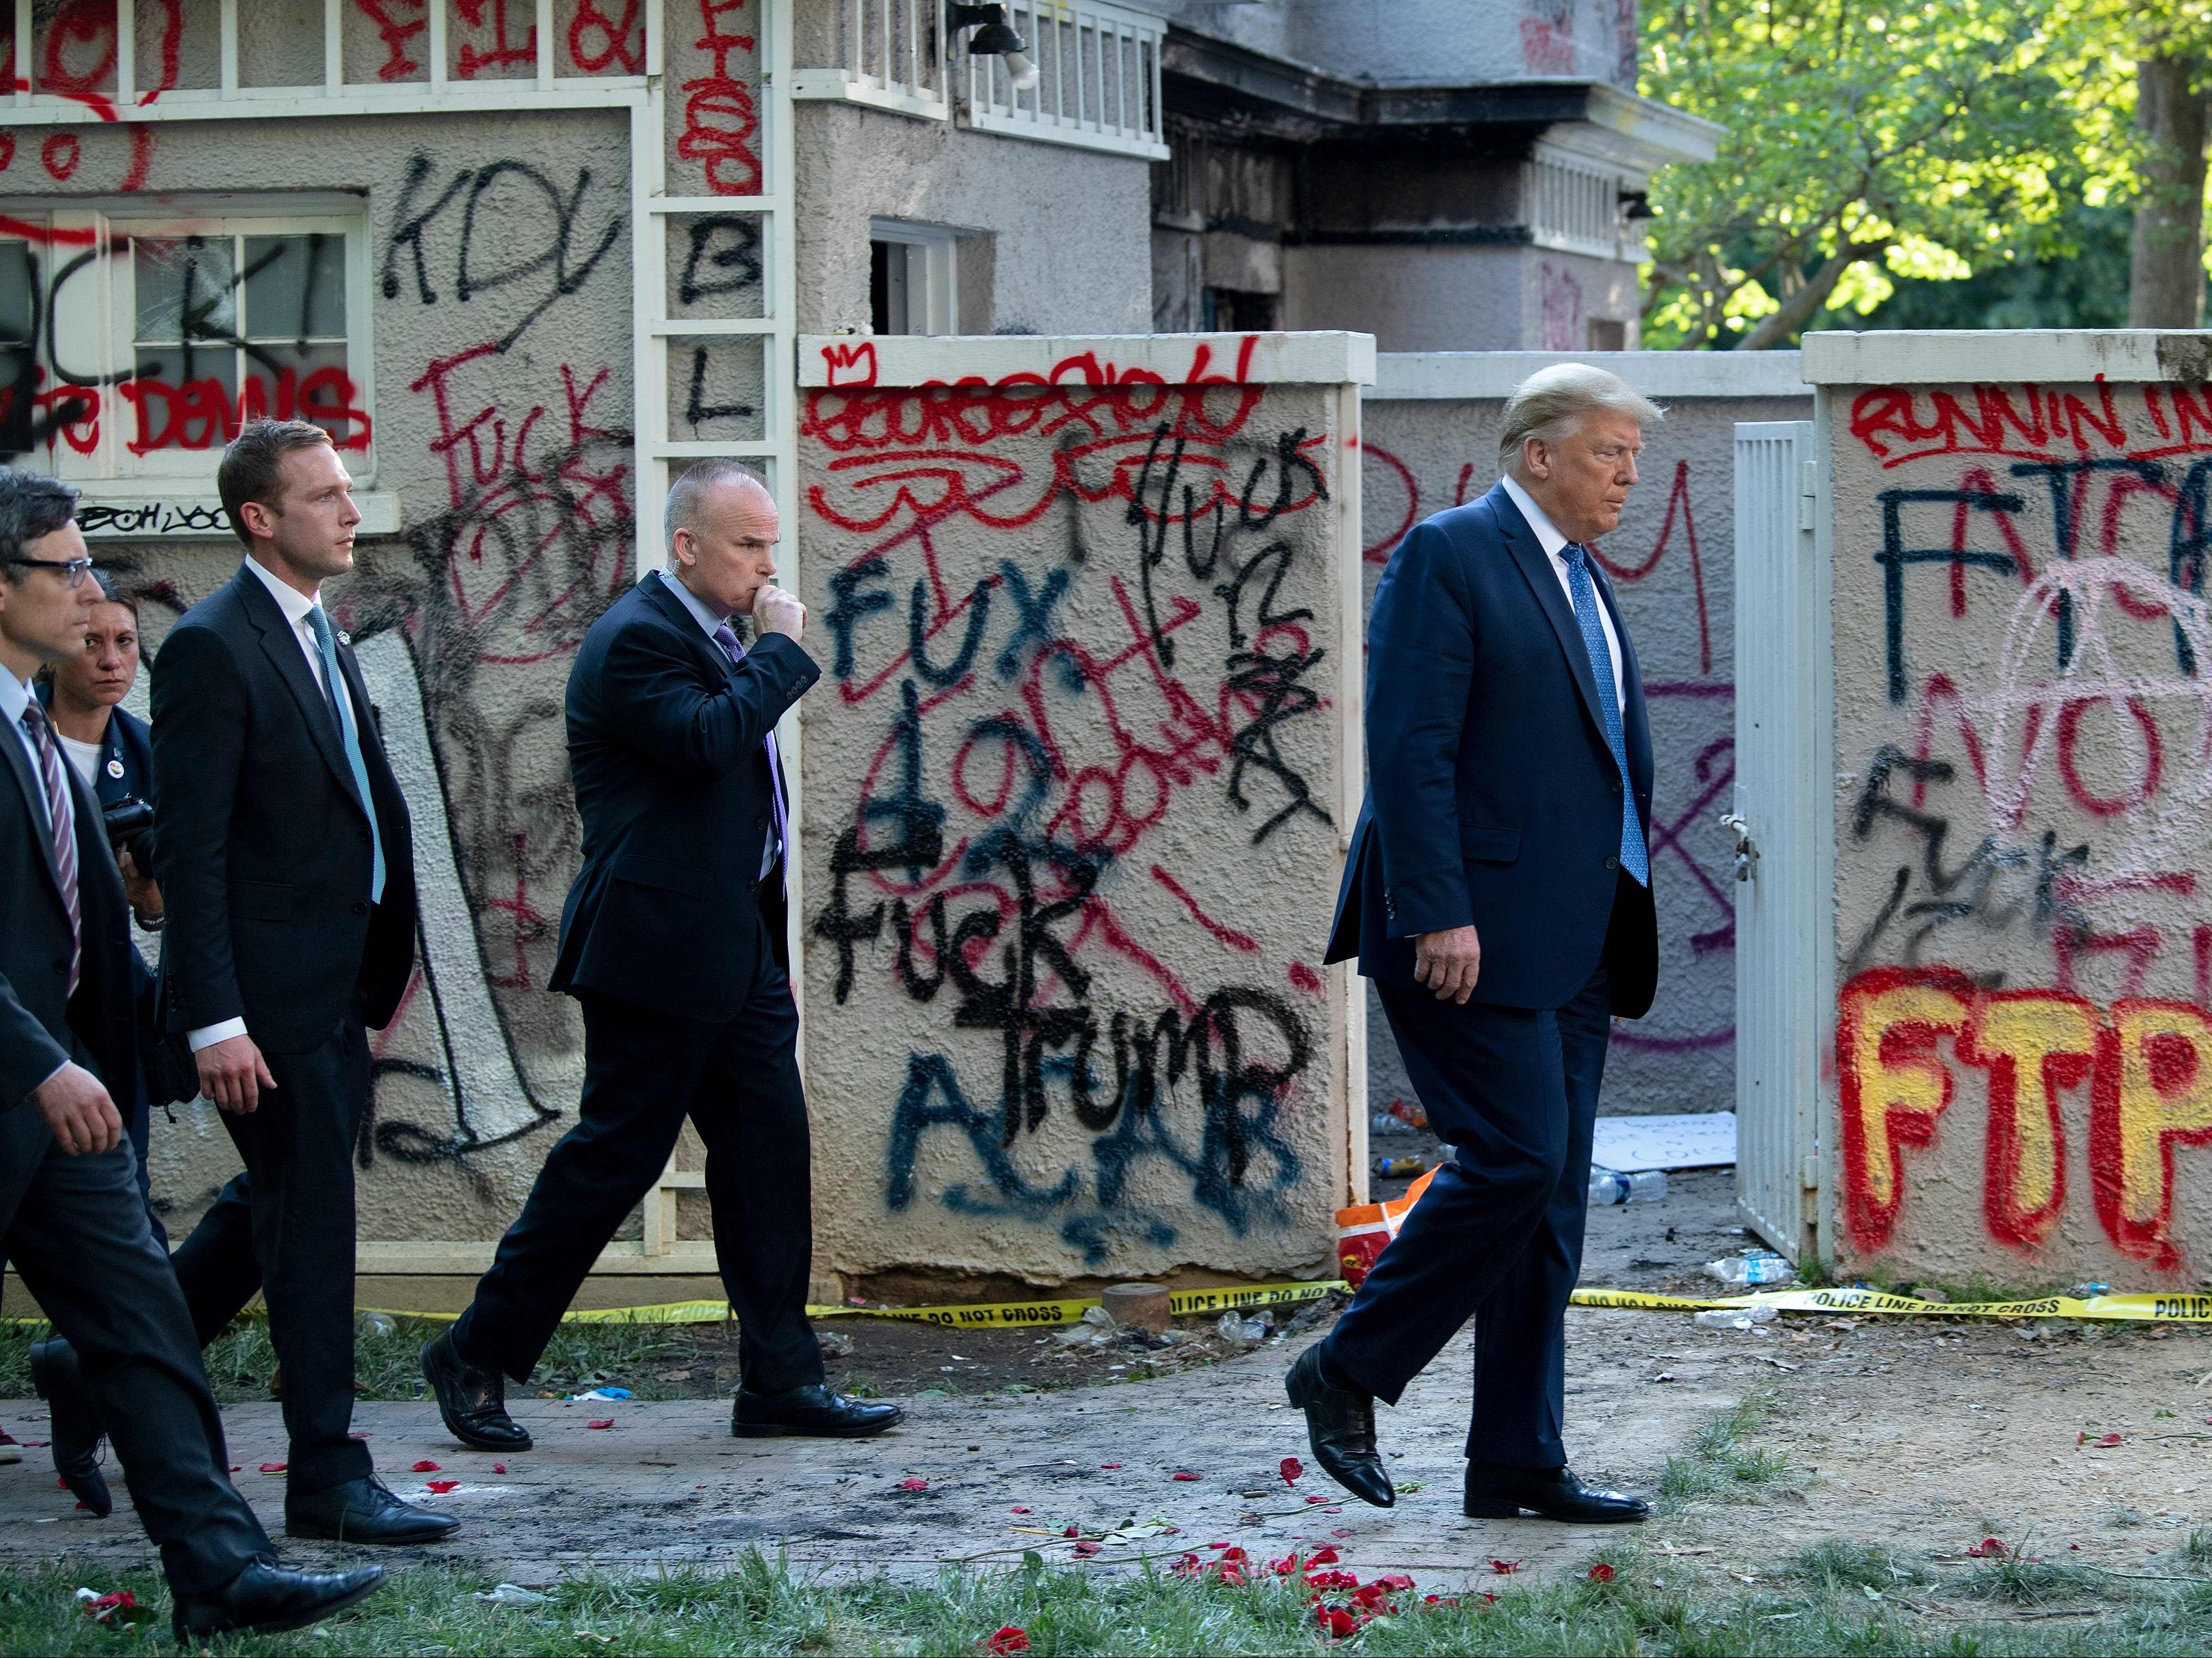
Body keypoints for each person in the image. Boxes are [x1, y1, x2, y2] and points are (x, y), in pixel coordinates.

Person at [421, 460, 900, 1449]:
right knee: (616, 1157)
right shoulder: (638, 638)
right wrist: (778, 653)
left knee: (768, 1156)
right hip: (655, 951)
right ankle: (475, 1348)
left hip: (737, 949)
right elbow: (703, 742)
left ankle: (780, 1380)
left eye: (771, 543)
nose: (771, 565)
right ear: (687, 547)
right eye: (748, 545)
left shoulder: (711, 635)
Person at [0, 466, 386, 1639]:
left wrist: (118, 1052)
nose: (85, 590)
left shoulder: (40, 724)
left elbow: (76, 926)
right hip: (26, 1077)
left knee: (142, 1324)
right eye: (64, 569)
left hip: (66, 1096)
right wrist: (39, 1060)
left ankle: (218, 1571)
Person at [52, 418, 443, 1545]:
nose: (350, 509)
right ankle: (325, 1474)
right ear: (261, 517)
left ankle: (92, 1369)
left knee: (267, 1207)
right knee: (310, 1225)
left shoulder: (321, 630)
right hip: (264, 1003)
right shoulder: (221, 645)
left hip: (333, 981)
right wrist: (214, 1014)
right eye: (323, 495)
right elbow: (197, 844)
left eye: (348, 489)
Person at [1292, 364, 1663, 1524]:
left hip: (1576, 938)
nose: (1627, 475)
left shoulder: (1579, 577)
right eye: (1609, 451)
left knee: (1546, 1203)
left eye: (1634, 457)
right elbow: (1409, 748)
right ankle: (1345, 1366)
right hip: (1467, 935)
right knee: (1509, 1161)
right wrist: (1435, 905)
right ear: (1537, 452)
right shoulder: (1450, 554)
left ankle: (1515, 1457)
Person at [20, 573, 171, 1514]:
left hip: (106, 1022)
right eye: (95, 640)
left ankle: (87, 1391)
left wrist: (143, 886)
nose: (112, 659)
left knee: (129, 1241)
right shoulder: (21, 742)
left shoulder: (144, 753)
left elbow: (161, 907)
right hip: (27, 1025)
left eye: (126, 642)